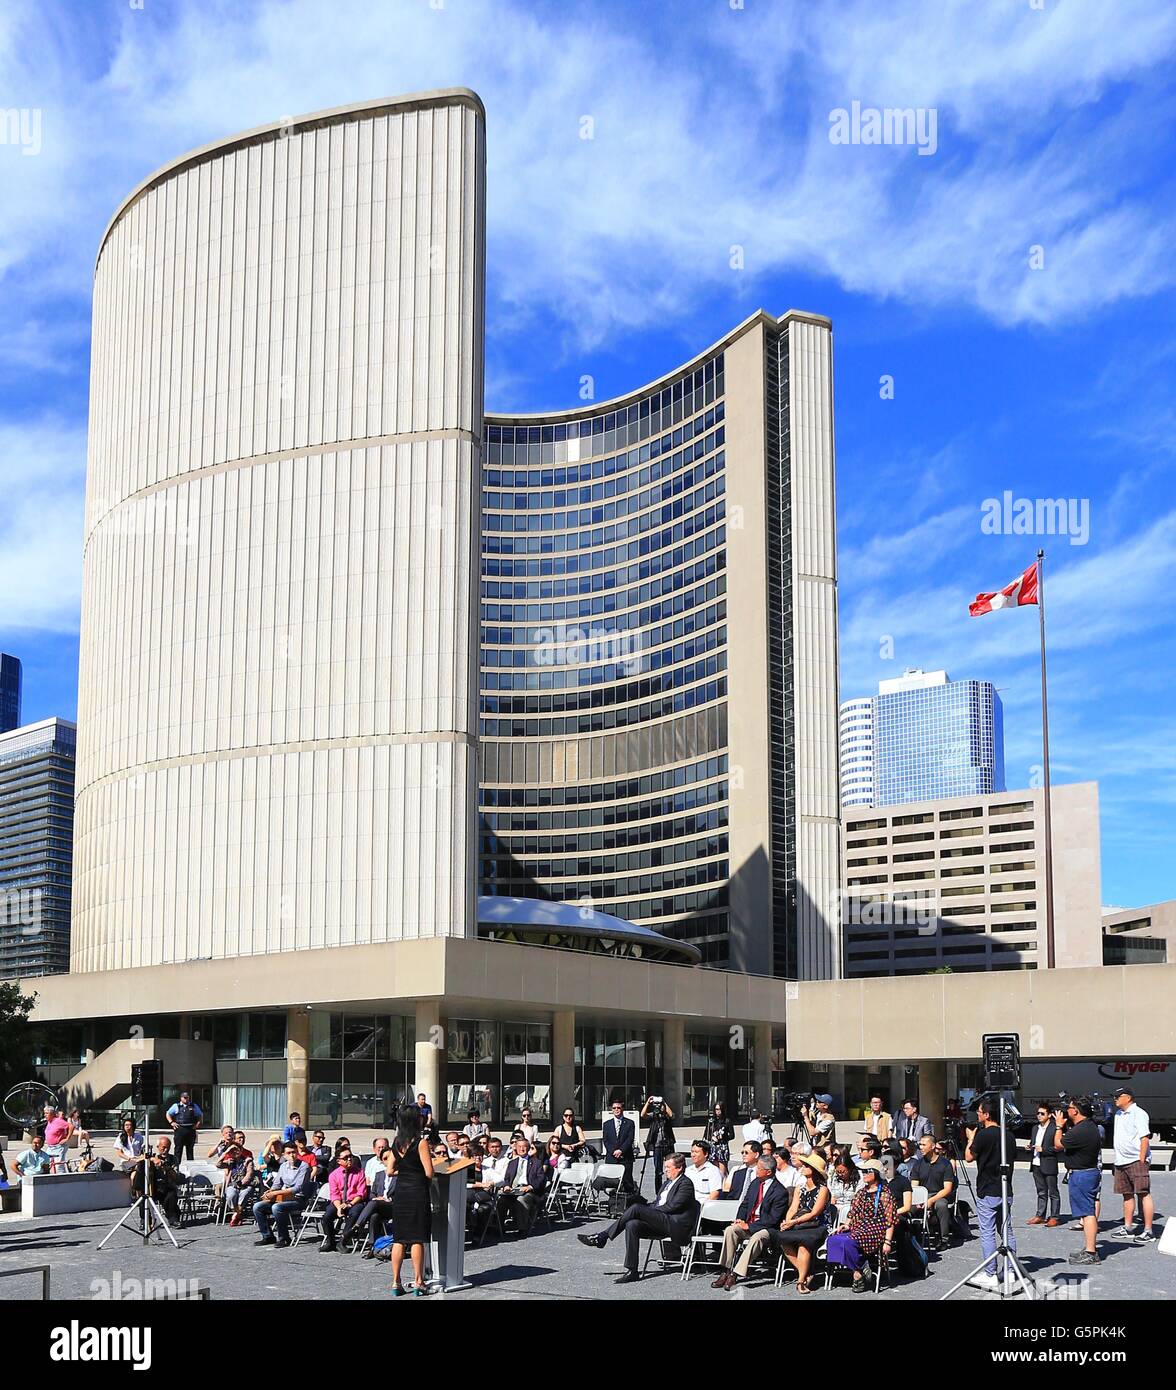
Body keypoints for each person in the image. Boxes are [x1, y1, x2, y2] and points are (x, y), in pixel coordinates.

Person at [577, 1152, 699, 1284]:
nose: (665, 1170)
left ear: (679, 1167)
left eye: (668, 1167)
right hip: (662, 1222)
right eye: (665, 1167)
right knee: (632, 1224)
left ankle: (603, 1237)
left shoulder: (685, 1184)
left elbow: (672, 1207)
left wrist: (646, 1211)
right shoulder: (666, 1184)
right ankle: (632, 1270)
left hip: (676, 1225)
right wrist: (647, 1208)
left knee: (636, 1208)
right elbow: (657, 1204)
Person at [711, 1153, 791, 1291]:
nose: (756, 1170)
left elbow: (773, 1219)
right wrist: (740, 1219)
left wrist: (749, 1226)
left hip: (767, 1228)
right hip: (749, 1222)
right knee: (731, 1230)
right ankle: (725, 1269)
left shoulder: (780, 1192)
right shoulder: (755, 1183)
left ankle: (735, 1274)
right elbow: (745, 1204)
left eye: (759, 1168)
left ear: (768, 1172)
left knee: (757, 1237)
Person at [965, 1096, 1016, 1290]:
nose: (977, 1114)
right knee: (1006, 1230)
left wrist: (970, 1139)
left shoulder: (983, 1135)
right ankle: (1010, 1270)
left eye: (979, 1111)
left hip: (988, 1189)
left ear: (986, 1114)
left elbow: (969, 1157)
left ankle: (990, 1273)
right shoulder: (1008, 1135)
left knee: (987, 1232)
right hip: (1005, 1187)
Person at [826, 1158, 896, 1293]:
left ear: (876, 1173)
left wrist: (887, 1241)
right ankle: (860, 1267)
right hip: (859, 1226)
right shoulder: (861, 1193)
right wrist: (846, 1225)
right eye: (863, 1171)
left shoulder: (885, 1194)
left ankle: (857, 1274)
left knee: (849, 1241)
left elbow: (890, 1220)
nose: (864, 1174)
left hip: (876, 1228)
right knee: (833, 1239)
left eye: (867, 1171)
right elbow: (853, 1213)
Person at [388, 1104, 435, 1294]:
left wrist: (405, 1170)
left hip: (400, 1193)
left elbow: (390, 1170)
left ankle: (396, 1282)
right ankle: (418, 1281)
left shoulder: (396, 1143)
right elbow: (429, 1172)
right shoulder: (421, 1142)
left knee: (399, 1239)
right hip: (417, 1193)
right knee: (417, 1239)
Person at [1052, 1095, 1102, 1265]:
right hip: (1086, 1173)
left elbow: (1058, 1144)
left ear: (1076, 1111)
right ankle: (1089, 1248)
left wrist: (1059, 1126)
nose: (1067, 1110)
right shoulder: (1088, 1126)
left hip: (1082, 1175)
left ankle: (1091, 1252)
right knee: (1086, 1212)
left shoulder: (1081, 1130)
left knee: (1087, 1213)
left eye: (1070, 1107)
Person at [773, 1152, 832, 1294]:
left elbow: (814, 1213)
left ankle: (800, 1281)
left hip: (817, 1225)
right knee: (782, 1239)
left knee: (803, 1245)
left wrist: (794, 1221)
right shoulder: (800, 1188)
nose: (802, 1167)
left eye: (806, 1166)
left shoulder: (822, 1190)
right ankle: (806, 1273)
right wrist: (787, 1221)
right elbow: (793, 1207)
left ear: (814, 1170)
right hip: (800, 1224)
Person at [1111, 1085, 1155, 1243]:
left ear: (1128, 1097)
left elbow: (1144, 1137)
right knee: (1126, 1194)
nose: (1115, 1099)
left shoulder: (1139, 1113)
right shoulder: (1118, 1114)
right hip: (1121, 1161)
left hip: (1136, 1160)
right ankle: (1128, 1227)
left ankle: (1148, 1230)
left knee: (1143, 1193)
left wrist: (1142, 1159)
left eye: (1118, 1096)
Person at [254, 1140, 316, 1247]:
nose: (292, 1155)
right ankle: (268, 1236)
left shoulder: (304, 1167)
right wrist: (270, 1192)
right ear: (284, 1155)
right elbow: (277, 1183)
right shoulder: (283, 1166)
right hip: (283, 1197)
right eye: (288, 1153)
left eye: (294, 1152)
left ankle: (284, 1238)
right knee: (257, 1206)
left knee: (277, 1208)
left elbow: (298, 1188)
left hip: (298, 1199)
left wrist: (276, 1193)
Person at [496, 1135, 548, 1236]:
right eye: (519, 1146)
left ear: (528, 1148)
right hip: (513, 1189)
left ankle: (522, 1228)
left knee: (521, 1199)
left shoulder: (536, 1163)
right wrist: (506, 1186)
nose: (521, 1149)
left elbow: (541, 1179)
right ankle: (499, 1227)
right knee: (502, 1201)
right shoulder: (512, 1163)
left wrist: (530, 1187)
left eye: (524, 1146)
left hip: (530, 1191)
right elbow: (507, 1178)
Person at [909, 1133, 954, 1247]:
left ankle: (944, 1238)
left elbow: (947, 1188)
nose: (921, 1147)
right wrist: (918, 1200)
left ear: (933, 1146)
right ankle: (913, 1238)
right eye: (920, 1145)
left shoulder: (945, 1164)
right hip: (922, 1194)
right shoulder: (918, 1164)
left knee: (941, 1205)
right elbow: (914, 1185)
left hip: (939, 1194)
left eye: (924, 1145)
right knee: (910, 1207)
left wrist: (931, 1200)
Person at [319, 1150, 369, 1252]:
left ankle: (343, 1241)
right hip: (339, 1202)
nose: (349, 1159)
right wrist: (338, 1207)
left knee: (355, 1214)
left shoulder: (359, 1173)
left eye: (350, 1156)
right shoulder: (334, 1175)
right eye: (345, 1158)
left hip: (354, 1201)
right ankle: (330, 1241)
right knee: (327, 1216)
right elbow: (334, 1194)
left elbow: (361, 1193)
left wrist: (350, 1204)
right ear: (338, 1161)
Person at [131, 1137, 184, 1223]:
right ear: (158, 1147)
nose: (165, 1150)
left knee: (171, 1195)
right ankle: (145, 1220)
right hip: (153, 1186)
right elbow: (139, 1160)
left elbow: (176, 1177)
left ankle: (173, 1219)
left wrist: (166, 1167)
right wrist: (153, 1159)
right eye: (163, 1147)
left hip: (166, 1186)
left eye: (168, 1147)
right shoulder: (152, 1156)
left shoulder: (173, 1159)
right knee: (144, 1196)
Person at [1026, 1102, 1061, 1227]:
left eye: (1042, 1113)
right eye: (1038, 1113)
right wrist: (1030, 1146)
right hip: (1036, 1163)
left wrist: (1044, 1150)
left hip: (1049, 1163)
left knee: (1053, 1192)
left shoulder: (1054, 1128)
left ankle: (1054, 1216)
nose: (1039, 1116)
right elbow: (1034, 1142)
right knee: (1041, 1191)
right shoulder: (1035, 1128)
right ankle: (1040, 1215)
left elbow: (1059, 1147)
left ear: (1049, 1115)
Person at [641, 1095, 676, 1188]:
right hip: (657, 1145)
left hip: (668, 1144)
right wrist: (648, 1103)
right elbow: (643, 1115)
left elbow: (671, 1115)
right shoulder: (654, 1115)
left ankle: (670, 1189)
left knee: (671, 1168)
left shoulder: (666, 1116)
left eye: (661, 1106)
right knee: (658, 1171)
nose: (659, 1107)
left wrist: (664, 1102)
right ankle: (658, 1192)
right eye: (658, 1105)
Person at [602, 1100, 637, 1190]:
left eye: (618, 1108)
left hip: (625, 1157)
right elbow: (606, 1140)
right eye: (614, 1108)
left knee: (627, 1181)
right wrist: (613, 1151)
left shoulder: (630, 1123)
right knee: (611, 1183)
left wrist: (621, 1150)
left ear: (622, 1109)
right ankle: (613, 1202)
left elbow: (630, 1139)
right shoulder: (606, 1124)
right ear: (612, 1110)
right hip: (612, 1157)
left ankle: (628, 1201)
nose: (616, 1110)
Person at [221, 1132, 255, 1226]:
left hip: (245, 1184)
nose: (242, 1140)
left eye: (243, 1138)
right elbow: (219, 1164)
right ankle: (238, 1214)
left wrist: (241, 1183)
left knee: (245, 1193)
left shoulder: (247, 1157)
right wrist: (227, 1152)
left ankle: (235, 1215)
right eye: (239, 1138)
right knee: (231, 1195)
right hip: (232, 1183)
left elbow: (250, 1173)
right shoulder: (230, 1158)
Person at [165, 1091, 203, 1162]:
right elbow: (168, 1113)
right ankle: (176, 1165)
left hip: (190, 1129)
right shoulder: (176, 1106)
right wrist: (171, 1122)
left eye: (187, 1097)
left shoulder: (193, 1106)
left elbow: (200, 1114)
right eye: (184, 1097)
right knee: (178, 1149)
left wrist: (198, 1123)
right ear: (181, 1098)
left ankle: (191, 1165)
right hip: (180, 1129)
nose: (186, 1099)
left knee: (190, 1149)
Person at [829, 1153, 861, 1222]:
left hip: (850, 1208)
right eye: (838, 1172)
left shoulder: (859, 1178)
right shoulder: (833, 1178)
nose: (840, 1174)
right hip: (835, 1207)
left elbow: (858, 1197)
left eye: (843, 1172)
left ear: (849, 1169)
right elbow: (831, 1193)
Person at [704, 1102, 735, 1174]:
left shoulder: (727, 1121)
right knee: (714, 1171)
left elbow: (732, 1135)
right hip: (713, 1147)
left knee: (722, 1172)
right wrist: (712, 1137)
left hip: (722, 1147)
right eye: (716, 1109)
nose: (718, 1111)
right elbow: (706, 1135)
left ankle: (724, 1183)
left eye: (720, 1109)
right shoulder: (711, 1121)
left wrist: (723, 1137)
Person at [41, 1105, 73, 1173]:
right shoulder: (49, 1121)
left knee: (59, 1166)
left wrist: (67, 1138)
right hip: (50, 1147)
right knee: (47, 1163)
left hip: (58, 1147)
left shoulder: (58, 1121)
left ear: (52, 1114)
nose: (45, 1115)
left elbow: (71, 1126)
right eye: (45, 1113)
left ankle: (62, 1179)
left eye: (47, 1113)